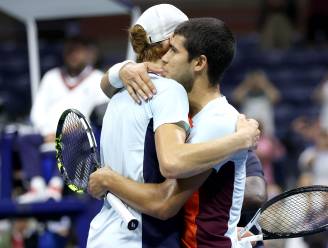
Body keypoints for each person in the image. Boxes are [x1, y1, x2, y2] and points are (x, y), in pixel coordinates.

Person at [88, 7, 259, 248]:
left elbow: (167, 191)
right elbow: (172, 168)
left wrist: (109, 180)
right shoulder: (167, 97)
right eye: (169, 49)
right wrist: (242, 139)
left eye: (175, 51)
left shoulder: (219, 118)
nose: (167, 58)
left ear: (199, 62)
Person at [16, 36, 108, 204]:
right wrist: (47, 133)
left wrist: (65, 130)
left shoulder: (97, 78)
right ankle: (37, 187)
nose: (73, 56)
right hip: (47, 133)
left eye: (78, 51)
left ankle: (55, 185)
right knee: (24, 140)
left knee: (78, 135)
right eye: (70, 51)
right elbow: (37, 111)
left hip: (78, 134)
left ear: (87, 53)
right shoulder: (51, 77)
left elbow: (102, 112)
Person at [232, 70, 280, 136]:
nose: (256, 82)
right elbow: (236, 98)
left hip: (266, 132)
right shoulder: (246, 94)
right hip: (248, 132)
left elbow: (276, 97)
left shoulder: (267, 94)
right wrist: (247, 84)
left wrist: (264, 84)